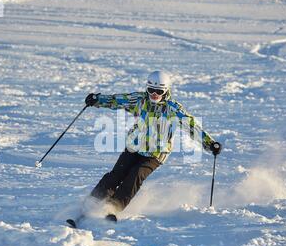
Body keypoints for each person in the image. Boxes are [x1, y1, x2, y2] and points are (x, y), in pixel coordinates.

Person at [84, 71, 221, 220]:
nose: (154, 94)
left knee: (135, 175)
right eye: (151, 90)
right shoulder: (139, 100)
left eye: (159, 91)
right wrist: (97, 100)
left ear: (166, 91)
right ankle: (92, 202)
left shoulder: (173, 109)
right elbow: (118, 100)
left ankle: (113, 207)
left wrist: (210, 143)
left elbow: (192, 126)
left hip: (156, 154)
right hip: (134, 146)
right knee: (116, 174)